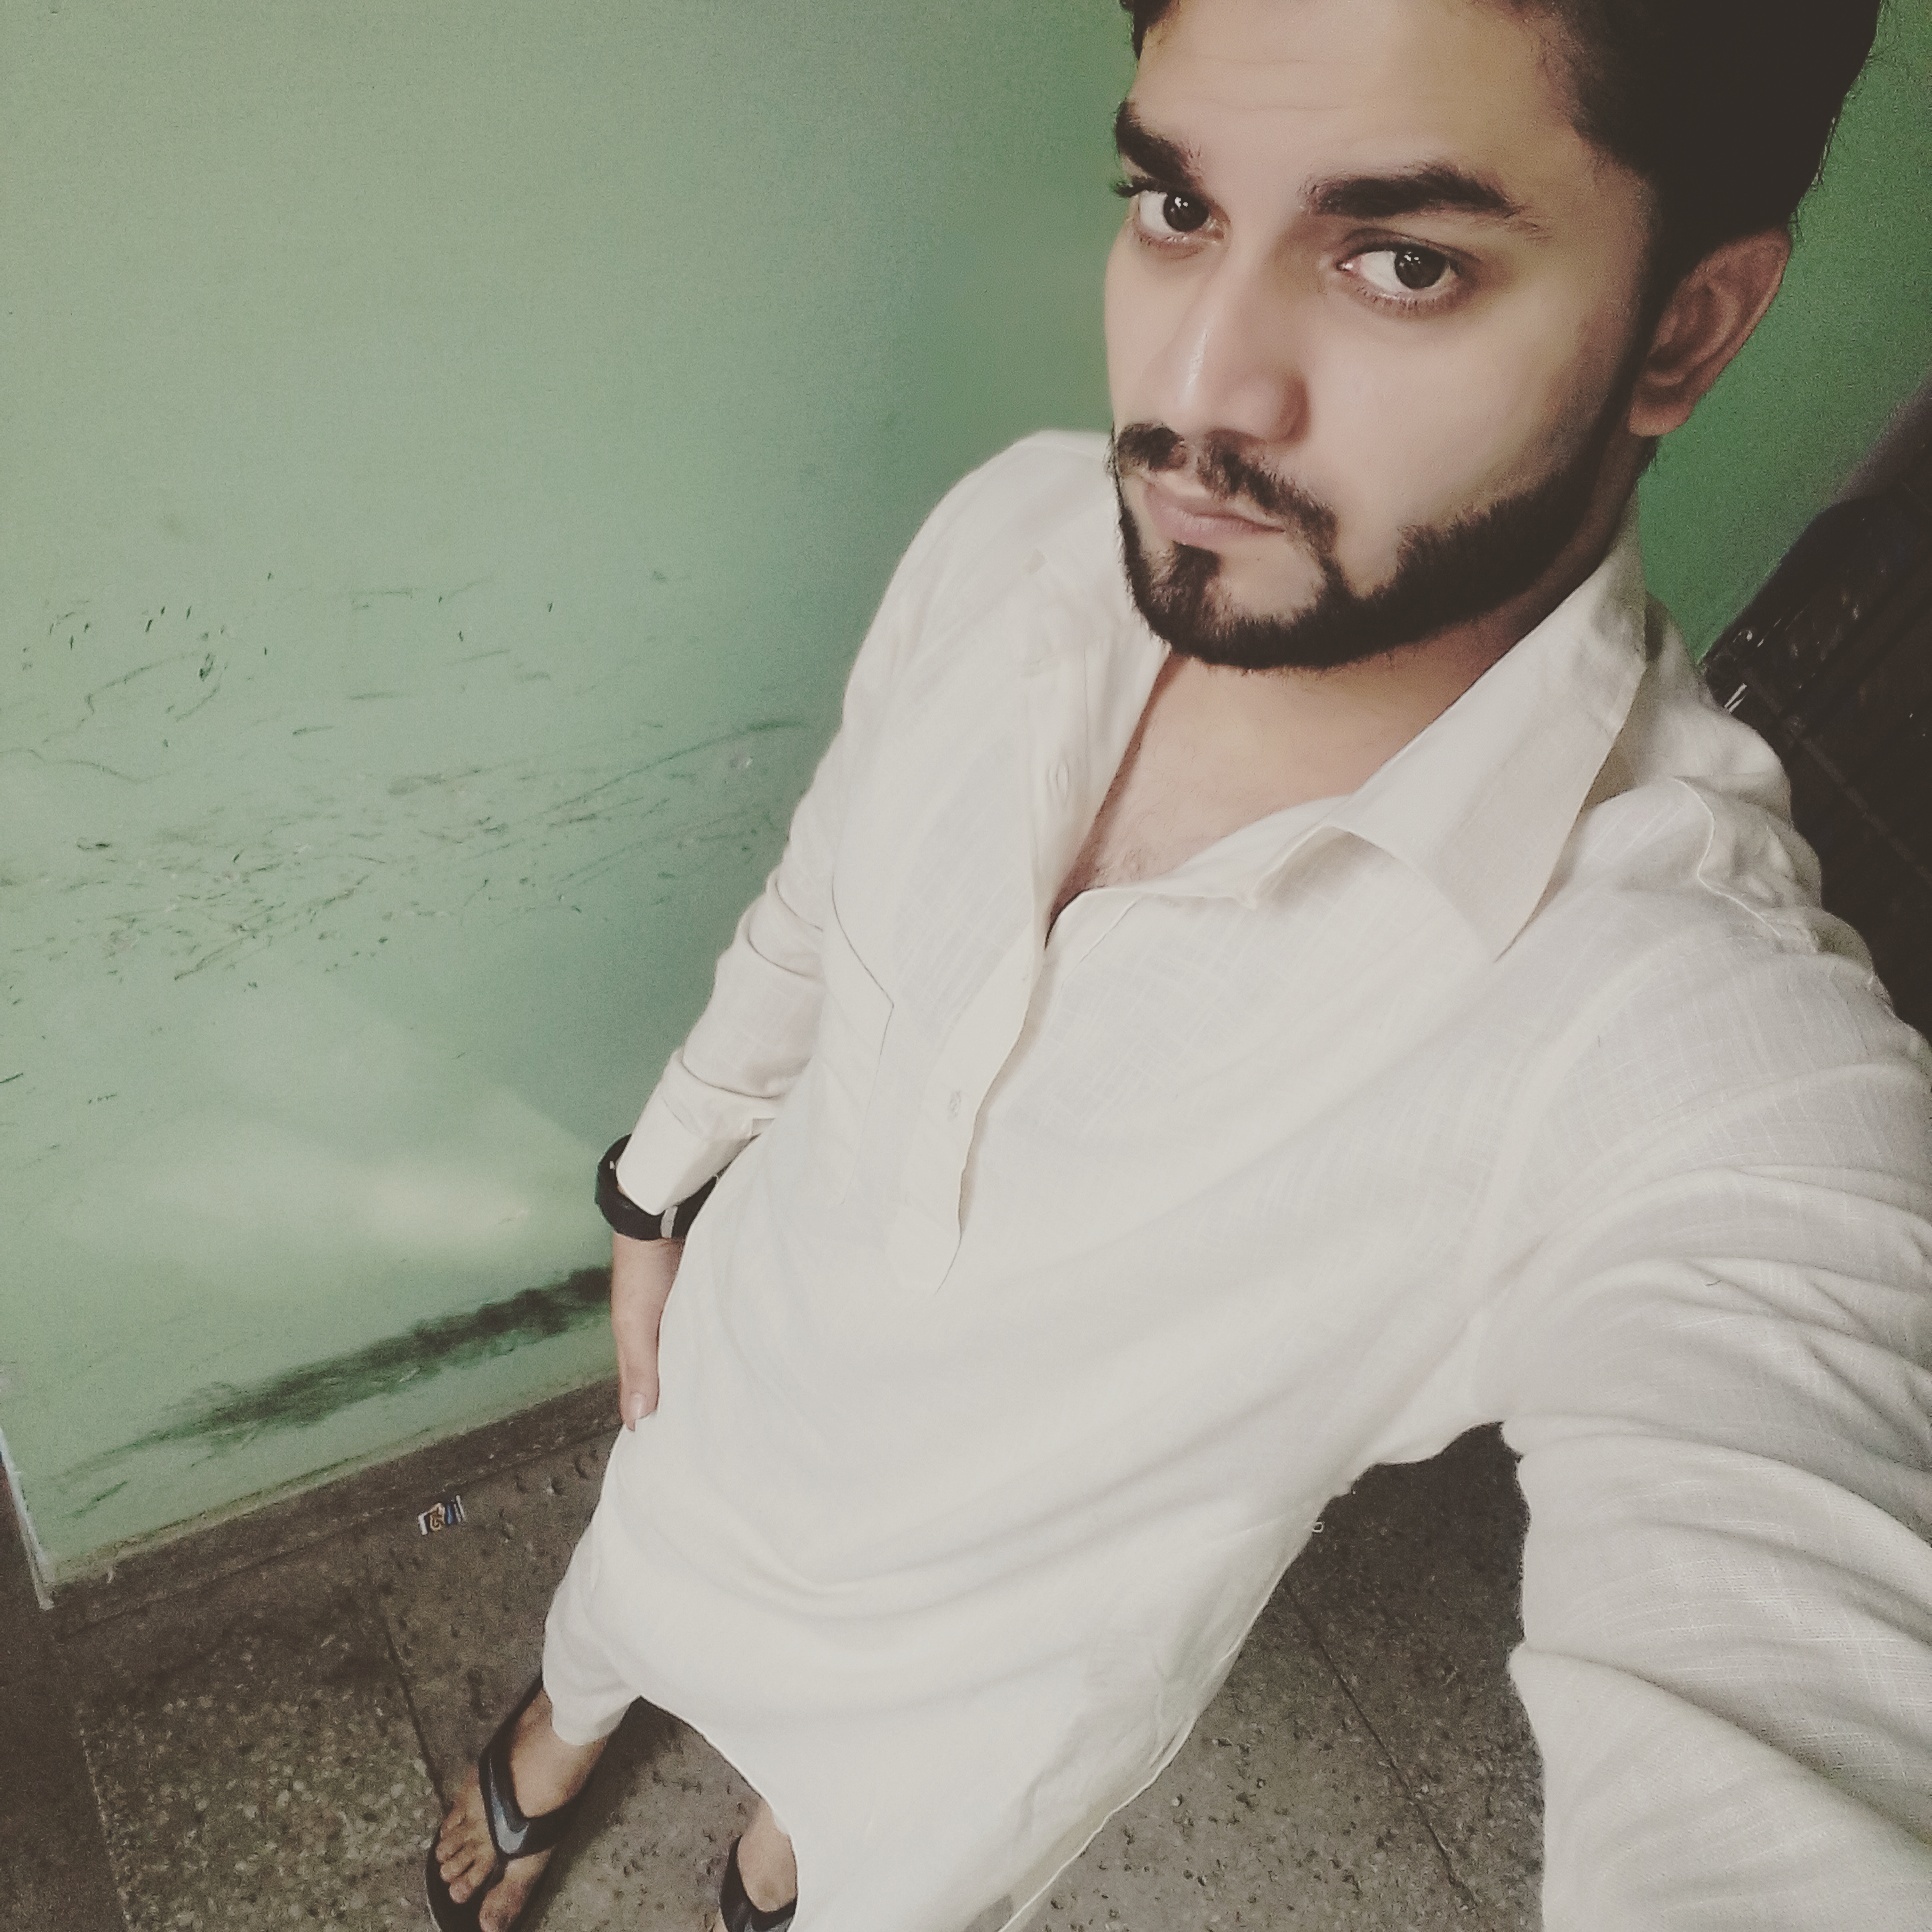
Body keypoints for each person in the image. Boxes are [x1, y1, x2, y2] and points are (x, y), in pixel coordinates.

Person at [428, 0, 1932, 1927]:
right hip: (722, 1406)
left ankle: (782, 1857)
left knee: (850, 1855)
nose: (1200, 394)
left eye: (1403, 260)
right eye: (1175, 206)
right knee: (613, 1616)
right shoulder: (1023, 533)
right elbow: (822, 899)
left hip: (988, 1697)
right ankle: (566, 1728)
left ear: (1688, 332)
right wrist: (660, 1178)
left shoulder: (1678, 1027)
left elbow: (1796, 1689)